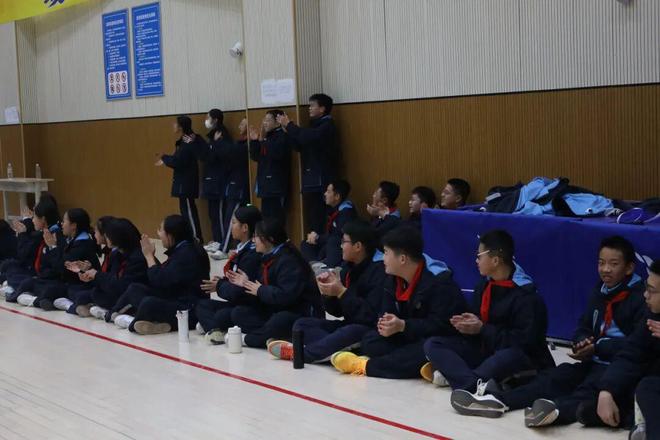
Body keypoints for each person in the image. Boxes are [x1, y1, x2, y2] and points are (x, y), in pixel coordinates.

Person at [449, 236, 647, 429]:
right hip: (593, 361)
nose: (605, 269)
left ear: (629, 268)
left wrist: (599, 346)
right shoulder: (601, 290)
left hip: (618, 368)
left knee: (587, 389)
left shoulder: (640, 299)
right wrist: (581, 341)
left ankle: (555, 412)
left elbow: (637, 346)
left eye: (613, 264)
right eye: (601, 263)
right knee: (555, 377)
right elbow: (584, 325)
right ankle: (497, 401)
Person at [423, 230, 554, 392]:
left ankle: (463, 380)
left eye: (479, 256)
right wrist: (467, 325)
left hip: (521, 357)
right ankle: (472, 381)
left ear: (495, 260)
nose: (476, 260)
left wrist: (482, 329)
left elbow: (523, 343)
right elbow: (479, 329)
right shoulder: (483, 286)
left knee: (506, 357)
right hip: (488, 350)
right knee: (433, 344)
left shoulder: (526, 296)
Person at [330, 226, 467, 378]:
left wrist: (404, 325)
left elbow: (443, 326)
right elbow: (385, 313)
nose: (383, 258)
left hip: (441, 339)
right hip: (410, 334)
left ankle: (365, 366)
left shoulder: (439, 282)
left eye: (386, 253)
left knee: (424, 349)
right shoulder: (392, 279)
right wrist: (387, 324)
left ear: (402, 259)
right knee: (371, 341)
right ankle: (429, 366)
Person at [268, 220, 386, 363]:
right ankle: (337, 351)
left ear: (358, 246)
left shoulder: (379, 271)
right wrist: (328, 294)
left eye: (344, 242)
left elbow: (370, 317)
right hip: (348, 324)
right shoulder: (348, 268)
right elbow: (337, 312)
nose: (341, 246)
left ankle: (301, 354)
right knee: (302, 324)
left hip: (368, 329)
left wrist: (341, 292)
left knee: (349, 332)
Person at [223, 218, 322, 348]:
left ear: (269, 239)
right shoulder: (267, 256)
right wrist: (247, 283)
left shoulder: (289, 260)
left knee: (279, 321)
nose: (253, 241)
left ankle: (250, 339)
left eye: (256, 237)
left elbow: (286, 296)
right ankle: (271, 337)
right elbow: (264, 288)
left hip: (300, 312)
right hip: (276, 308)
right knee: (239, 313)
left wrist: (260, 290)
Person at [589, 260, 660, 433]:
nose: (645, 295)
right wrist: (607, 390)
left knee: (648, 388)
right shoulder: (652, 316)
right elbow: (631, 353)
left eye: (652, 291)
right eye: (646, 288)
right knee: (596, 401)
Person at [109, 215, 210, 334]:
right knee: (135, 289)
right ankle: (114, 315)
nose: (158, 234)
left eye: (161, 230)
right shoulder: (182, 249)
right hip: (175, 297)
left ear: (170, 235)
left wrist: (149, 256)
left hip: (189, 310)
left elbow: (159, 281)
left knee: (149, 303)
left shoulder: (187, 253)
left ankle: (131, 322)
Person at [196, 205, 263, 342]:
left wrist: (219, 285)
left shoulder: (252, 256)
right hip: (236, 302)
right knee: (202, 305)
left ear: (245, 228)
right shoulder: (242, 250)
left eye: (233, 223)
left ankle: (214, 329)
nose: (230, 226)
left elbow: (239, 292)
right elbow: (234, 281)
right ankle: (214, 327)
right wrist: (222, 282)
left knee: (224, 315)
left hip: (248, 306)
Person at [15, 208, 100, 311]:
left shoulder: (82, 244)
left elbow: (62, 268)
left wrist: (53, 247)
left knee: (51, 290)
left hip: (76, 284)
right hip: (65, 281)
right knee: (28, 282)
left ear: (73, 225)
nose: (62, 224)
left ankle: (37, 301)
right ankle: (41, 300)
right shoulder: (71, 239)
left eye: (64, 221)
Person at [277, 94, 339, 235]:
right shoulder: (313, 125)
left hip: (322, 178)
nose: (309, 108)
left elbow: (310, 137)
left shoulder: (327, 125)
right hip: (311, 179)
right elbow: (300, 145)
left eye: (312, 105)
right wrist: (288, 132)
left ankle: (320, 244)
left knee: (321, 217)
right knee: (313, 218)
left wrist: (290, 125)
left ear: (322, 108)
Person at [68, 218, 148, 318]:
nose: (106, 237)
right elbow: (110, 279)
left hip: (131, 296)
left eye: (109, 234)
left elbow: (122, 286)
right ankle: (97, 309)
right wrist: (90, 274)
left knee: (91, 295)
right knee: (86, 293)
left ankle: (106, 312)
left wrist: (96, 275)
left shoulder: (137, 258)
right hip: (117, 292)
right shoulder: (117, 254)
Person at [156, 115, 205, 242]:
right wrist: (166, 159)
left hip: (187, 183)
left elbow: (179, 161)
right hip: (183, 183)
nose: (173, 125)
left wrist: (164, 158)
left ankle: (196, 238)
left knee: (189, 211)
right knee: (185, 212)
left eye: (175, 124)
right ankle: (190, 237)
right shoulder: (183, 141)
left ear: (181, 127)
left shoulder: (188, 142)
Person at [2, 199, 61, 299]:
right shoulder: (41, 233)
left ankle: (24, 292)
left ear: (43, 219)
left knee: (28, 282)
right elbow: (23, 255)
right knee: (10, 267)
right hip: (35, 273)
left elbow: (57, 267)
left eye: (34, 217)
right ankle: (19, 288)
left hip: (47, 279)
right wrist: (22, 233)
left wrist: (52, 247)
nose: (32, 220)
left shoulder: (56, 236)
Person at [300, 179, 356, 268]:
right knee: (306, 244)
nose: (325, 194)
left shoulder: (346, 213)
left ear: (337, 196)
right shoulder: (334, 209)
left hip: (338, 247)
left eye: (328, 192)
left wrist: (318, 238)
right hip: (329, 244)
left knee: (332, 241)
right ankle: (316, 267)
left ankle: (320, 267)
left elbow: (338, 236)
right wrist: (316, 238)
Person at [249, 110, 291, 226]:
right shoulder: (267, 138)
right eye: (264, 120)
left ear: (277, 122)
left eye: (268, 120)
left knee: (276, 220)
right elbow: (256, 156)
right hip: (265, 186)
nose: (264, 123)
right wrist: (254, 141)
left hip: (276, 186)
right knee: (266, 220)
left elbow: (278, 154)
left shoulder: (282, 136)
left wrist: (263, 141)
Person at [200, 108, 233, 254]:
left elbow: (216, 156)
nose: (206, 120)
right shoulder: (212, 136)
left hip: (219, 180)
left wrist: (215, 145)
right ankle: (216, 240)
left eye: (208, 117)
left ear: (216, 119)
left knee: (219, 214)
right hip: (210, 180)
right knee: (212, 214)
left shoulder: (222, 135)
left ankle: (222, 242)